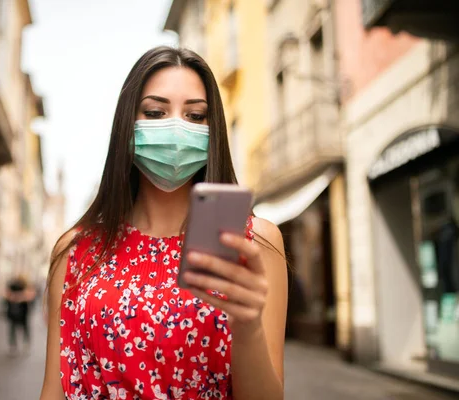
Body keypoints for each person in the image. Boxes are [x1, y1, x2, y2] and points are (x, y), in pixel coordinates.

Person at [40, 47, 288, 400]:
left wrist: (248, 329)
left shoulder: (254, 244)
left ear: (212, 129)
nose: (176, 128)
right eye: (156, 112)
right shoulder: (76, 251)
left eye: (196, 115)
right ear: (128, 125)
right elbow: (54, 391)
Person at [5, 274, 36, 356]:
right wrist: (21, 296)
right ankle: (14, 345)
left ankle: (24, 343)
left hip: (22, 311)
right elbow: (8, 295)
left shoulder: (25, 285)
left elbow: (30, 295)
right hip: (14, 310)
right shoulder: (13, 285)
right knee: (14, 328)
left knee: (24, 327)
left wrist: (16, 296)